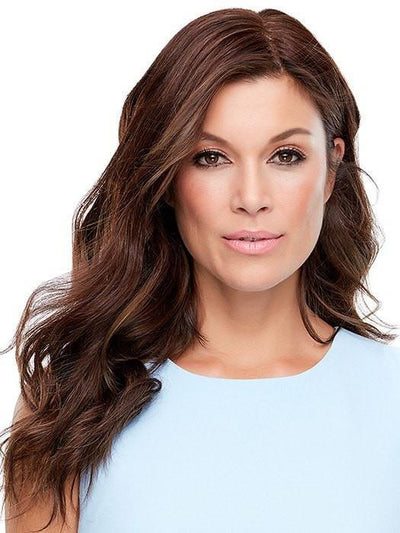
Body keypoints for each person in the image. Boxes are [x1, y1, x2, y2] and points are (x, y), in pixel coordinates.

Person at [1, 7, 399, 533]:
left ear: (330, 169)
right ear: (167, 178)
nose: (251, 198)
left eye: (285, 155)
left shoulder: (390, 397)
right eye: (211, 157)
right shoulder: (73, 400)